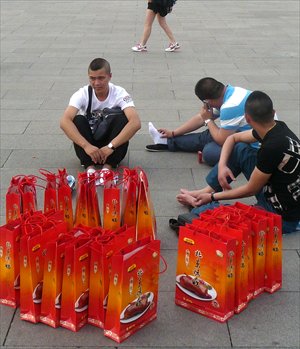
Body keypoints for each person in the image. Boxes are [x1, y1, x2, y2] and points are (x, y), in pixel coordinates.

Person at [176, 91, 300, 234]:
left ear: (247, 119)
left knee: (217, 213)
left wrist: (212, 197)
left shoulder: (271, 147)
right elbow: (233, 139)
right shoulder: (277, 126)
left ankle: (200, 202)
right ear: (273, 113)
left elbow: (251, 189)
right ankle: (204, 192)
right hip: (280, 190)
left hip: (283, 216)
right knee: (240, 148)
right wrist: (222, 166)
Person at [146, 77, 257, 167]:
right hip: (243, 135)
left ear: (207, 101)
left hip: (255, 150)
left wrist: (208, 120)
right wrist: (173, 132)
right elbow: (200, 118)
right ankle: (166, 142)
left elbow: (222, 140)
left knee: (209, 152)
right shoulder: (229, 92)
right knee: (209, 135)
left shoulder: (230, 106)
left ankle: (169, 143)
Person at [60, 58, 141, 175]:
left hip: (112, 144)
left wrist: (110, 147)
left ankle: (109, 166)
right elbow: (64, 121)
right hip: (90, 143)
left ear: (110, 76)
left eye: (101, 78)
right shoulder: (82, 94)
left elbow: (135, 122)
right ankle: (89, 167)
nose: (96, 83)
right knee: (77, 120)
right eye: (92, 78)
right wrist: (86, 146)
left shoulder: (120, 93)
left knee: (123, 119)